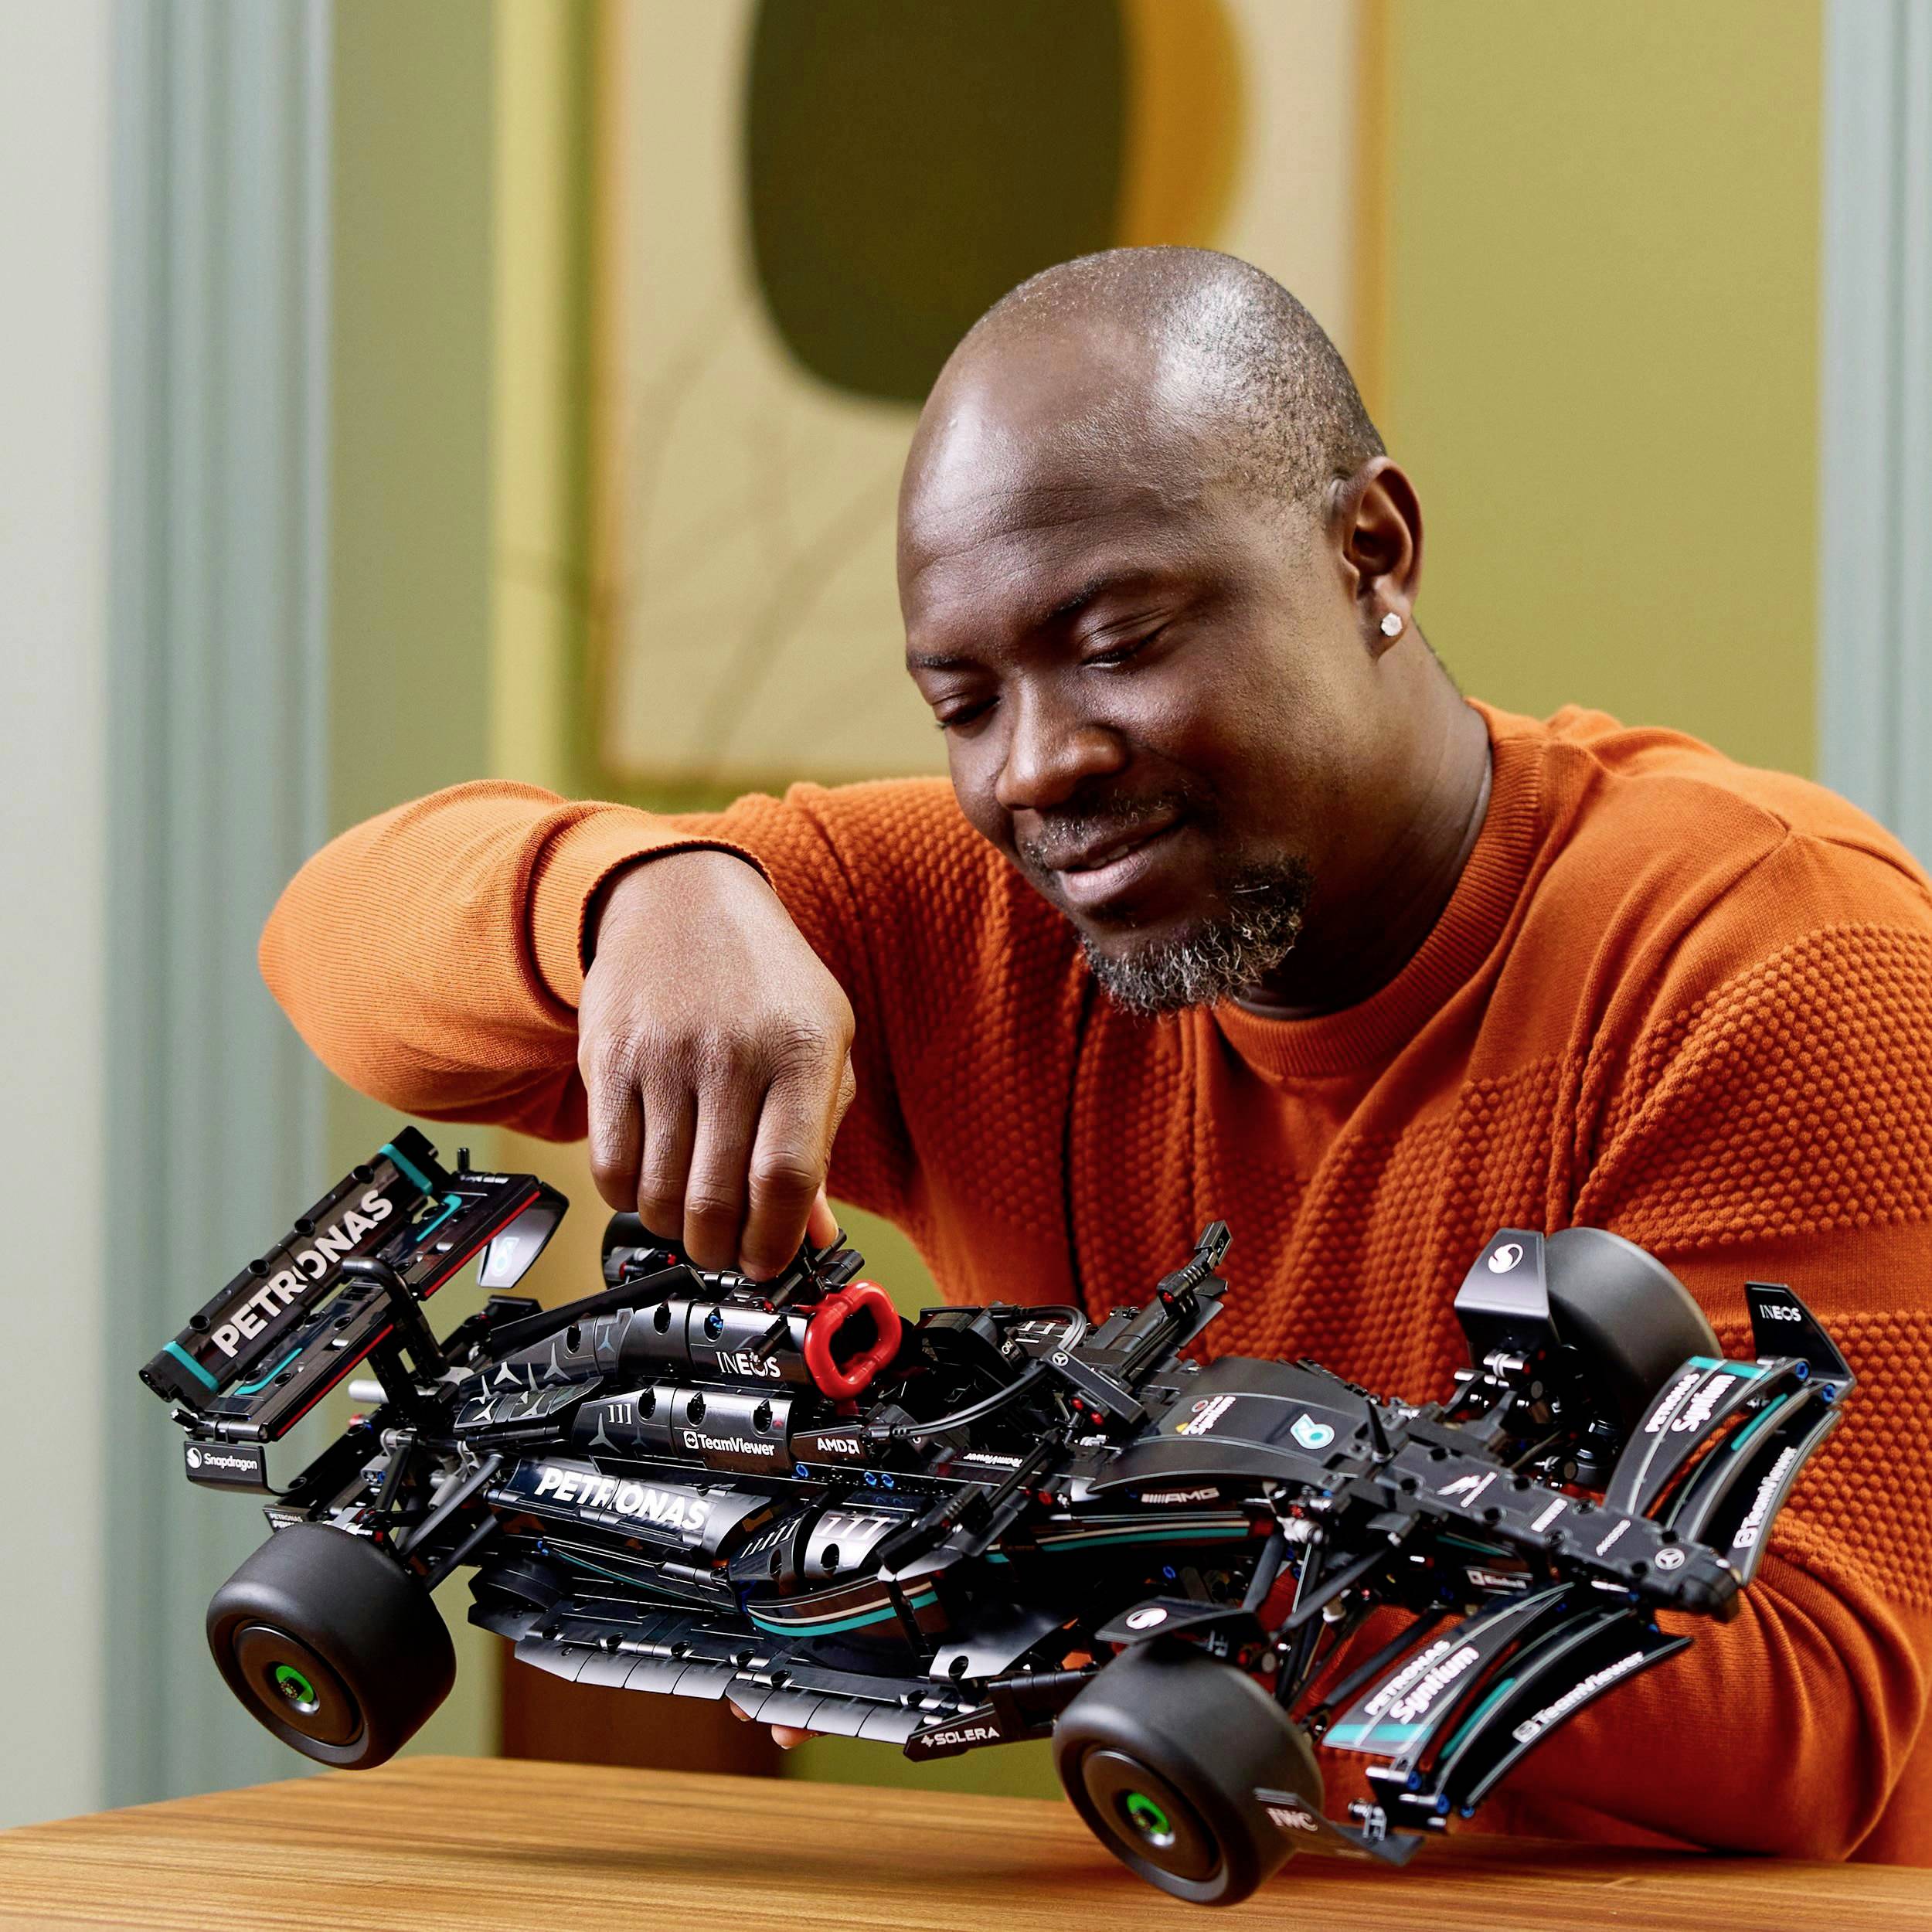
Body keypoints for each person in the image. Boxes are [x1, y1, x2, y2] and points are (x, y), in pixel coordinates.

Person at [263, 248, 1932, 1860]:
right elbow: (334, 940)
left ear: (1370, 550)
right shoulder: (996, 920)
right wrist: (634, 890)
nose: (1039, 764)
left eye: (1120, 639)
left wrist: (1119, 1546)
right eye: (960, 697)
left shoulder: (1777, 960)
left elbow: (1827, 1718)